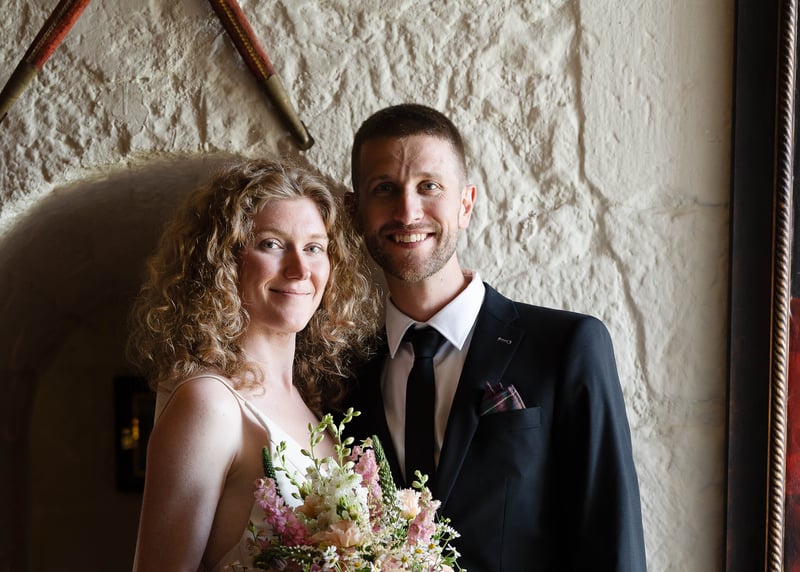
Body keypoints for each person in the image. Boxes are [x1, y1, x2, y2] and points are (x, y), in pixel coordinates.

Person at [344, 103, 647, 571]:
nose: (407, 211)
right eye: (385, 188)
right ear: (355, 211)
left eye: (429, 186)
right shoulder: (344, 370)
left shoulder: (567, 346)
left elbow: (613, 542)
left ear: (465, 204)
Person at [129, 158, 380, 572]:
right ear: (224, 261)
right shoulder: (208, 403)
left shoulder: (306, 402)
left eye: (314, 248)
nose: (300, 269)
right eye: (272, 244)